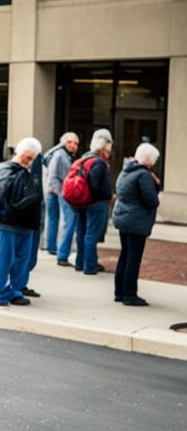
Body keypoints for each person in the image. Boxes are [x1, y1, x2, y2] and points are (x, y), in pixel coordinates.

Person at [0, 138, 43, 307]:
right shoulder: (6, 171)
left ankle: (14, 292)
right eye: (26, 157)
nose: (27, 161)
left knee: (20, 261)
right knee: (7, 259)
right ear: (19, 152)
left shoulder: (26, 173)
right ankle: (3, 294)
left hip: (24, 225)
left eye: (31, 159)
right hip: (9, 224)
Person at [113, 143, 161, 306]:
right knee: (134, 258)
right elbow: (152, 201)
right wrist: (156, 184)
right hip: (136, 221)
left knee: (125, 255)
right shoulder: (144, 175)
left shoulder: (126, 170)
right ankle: (130, 294)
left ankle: (119, 292)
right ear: (149, 160)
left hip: (123, 218)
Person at [74, 129, 113, 275]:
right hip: (95, 203)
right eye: (110, 143)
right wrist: (106, 194)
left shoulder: (85, 158)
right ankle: (90, 266)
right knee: (91, 235)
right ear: (105, 144)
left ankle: (80, 262)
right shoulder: (99, 162)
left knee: (82, 232)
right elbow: (95, 183)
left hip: (81, 202)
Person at [44, 132, 79, 264]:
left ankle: (52, 246)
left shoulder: (66, 155)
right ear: (64, 142)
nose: (73, 145)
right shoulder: (59, 154)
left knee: (54, 219)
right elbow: (52, 174)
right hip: (58, 190)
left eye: (76, 143)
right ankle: (58, 250)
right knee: (66, 221)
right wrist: (59, 191)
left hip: (57, 190)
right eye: (70, 142)